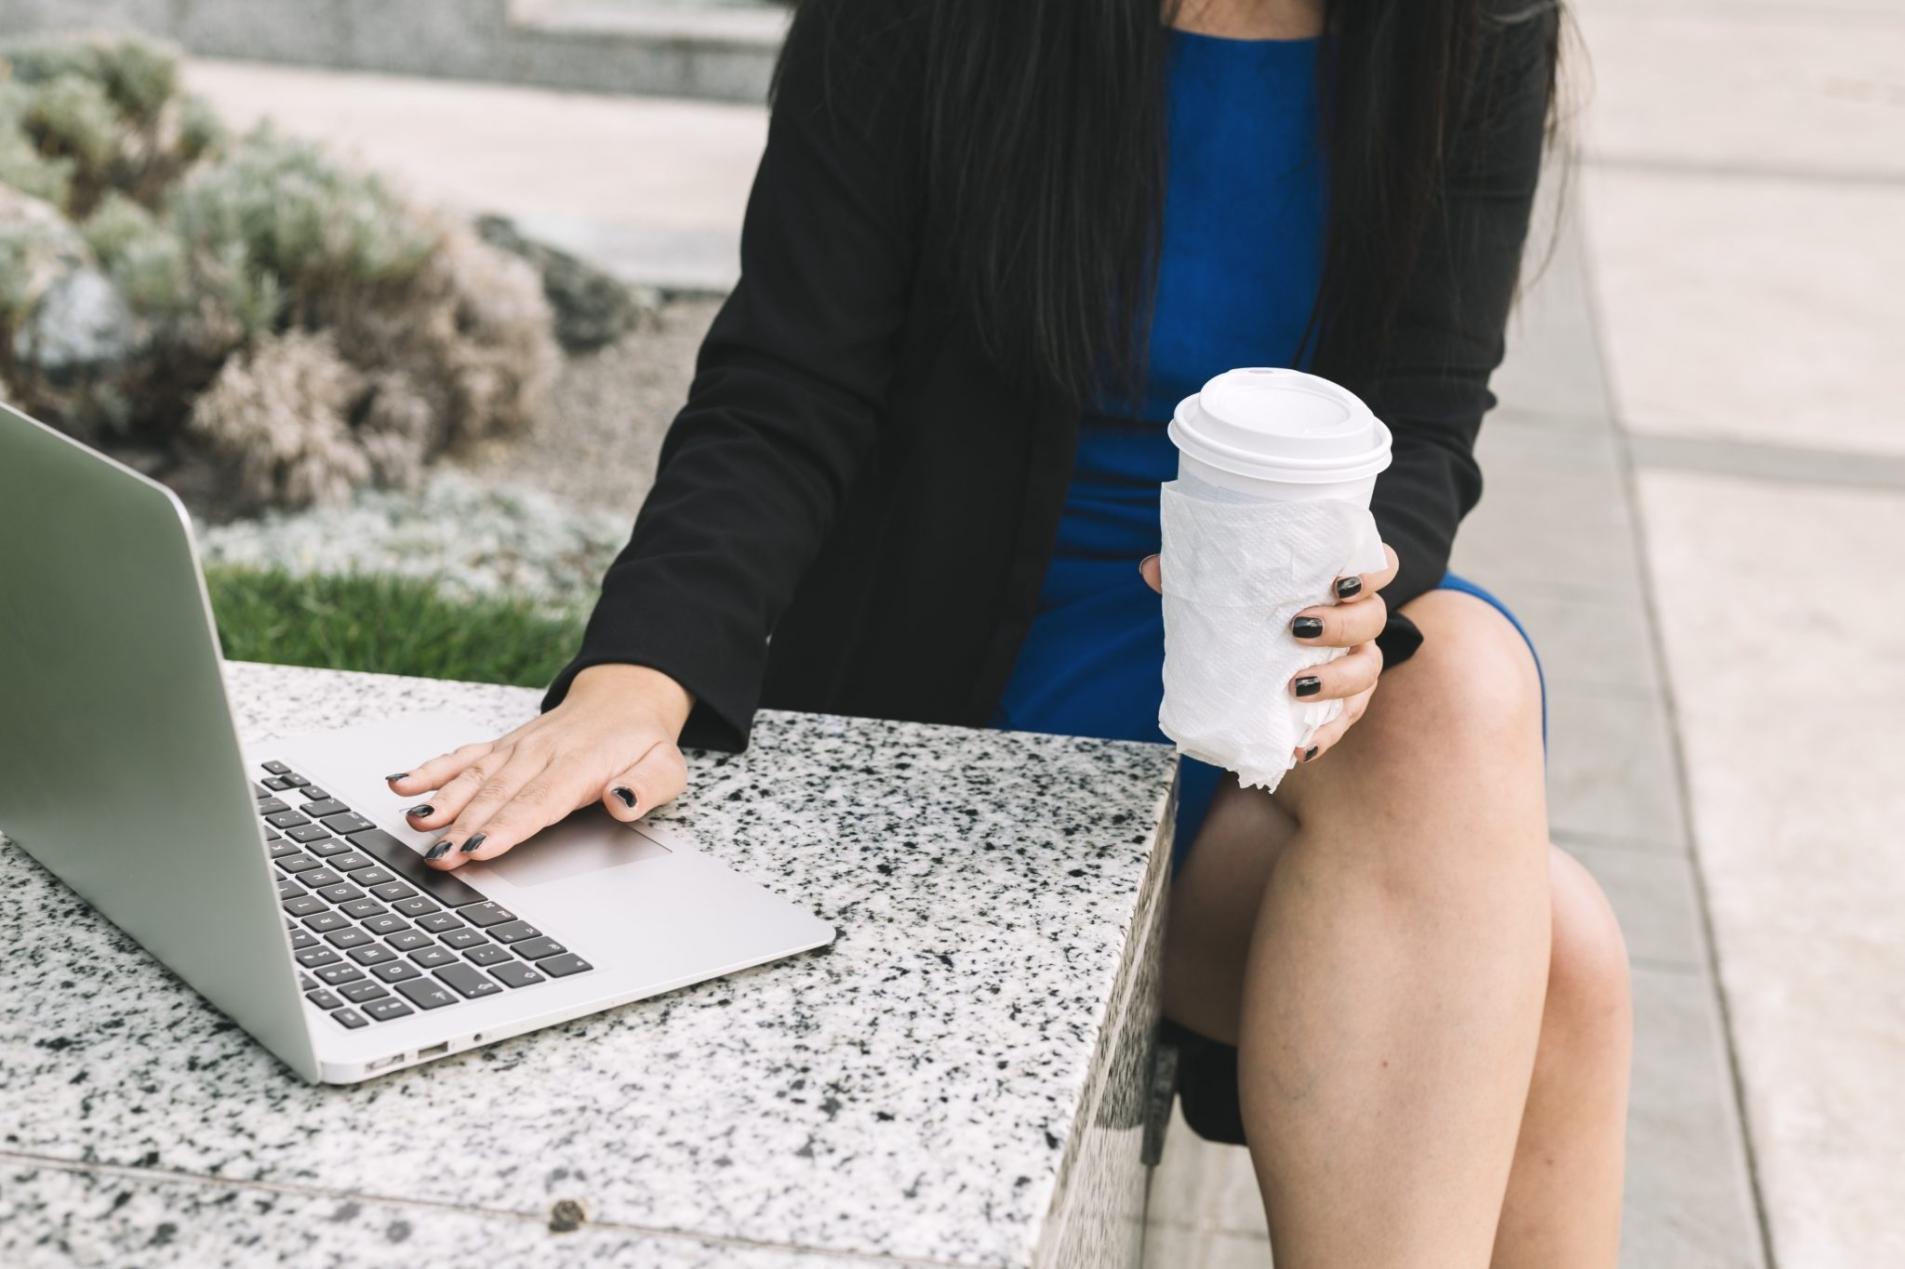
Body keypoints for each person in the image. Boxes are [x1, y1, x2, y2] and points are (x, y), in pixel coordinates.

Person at [387, 1, 1631, 1263]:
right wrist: (637, 678)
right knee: (1557, 947)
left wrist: (1361, 586)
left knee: (1461, 694)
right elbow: (789, 380)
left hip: (1261, 655)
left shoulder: (1477, 22)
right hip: (990, 652)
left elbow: (1424, 418)